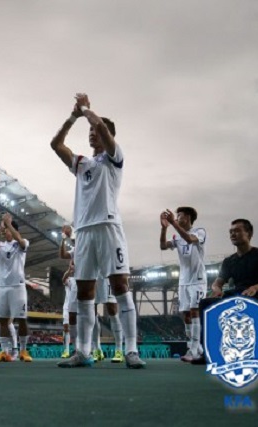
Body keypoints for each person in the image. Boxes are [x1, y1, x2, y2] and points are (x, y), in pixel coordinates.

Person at [51, 93, 144, 369]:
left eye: (96, 130)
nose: (92, 133)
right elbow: (56, 145)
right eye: (89, 131)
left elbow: (103, 128)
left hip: (108, 228)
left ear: (109, 136)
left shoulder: (115, 158)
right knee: (84, 293)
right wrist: (73, 117)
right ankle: (83, 352)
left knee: (120, 287)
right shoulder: (83, 164)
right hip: (85, 233)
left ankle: (131, 350)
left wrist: (88, 111)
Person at [193, 219, 258, 364]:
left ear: (249, 233)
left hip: (255, 295)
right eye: (231, 232)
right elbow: (217, 283)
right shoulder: (229, 261)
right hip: (235, 295)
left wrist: (256, 287)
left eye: (237, 231)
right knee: (206, 303)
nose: (233, 234)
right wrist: (217, 289)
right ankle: (208, 353)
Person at [59, 225, 124, 363]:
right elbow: (65, 253)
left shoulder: (99, 228)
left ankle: (119, 350)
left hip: (105, 275)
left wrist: (70, 236)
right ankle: (97, 349)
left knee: (112, 310)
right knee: (92, 312)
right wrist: (65, 238)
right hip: (91, 276)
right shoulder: (77, 245)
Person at [159, 207, 207, 362]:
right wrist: (164, 228)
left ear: (188, 217)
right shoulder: (177, 236)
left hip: (198, 279)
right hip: (183, 281)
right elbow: (162, 246)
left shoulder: (200, 231)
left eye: (180, 215)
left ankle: (192, 350)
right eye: (177, 215)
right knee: (186, 314)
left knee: (195, 312)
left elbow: (188, 239)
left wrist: (173, 222)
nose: (177, 217)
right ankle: (197, 348)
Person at [0, 213, 32, 363]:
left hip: (18, 286)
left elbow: (21, 241)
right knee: (3, 320)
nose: (6, 232)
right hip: (2, 286)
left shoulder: (22, 243)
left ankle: (23, 350)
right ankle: (5, 352)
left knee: (22, 318)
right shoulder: (0, 246)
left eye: (9, 230)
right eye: (6, 230)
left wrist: (9, 224)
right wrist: (0, 228)